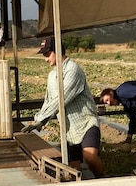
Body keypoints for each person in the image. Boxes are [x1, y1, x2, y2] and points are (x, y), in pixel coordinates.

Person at [24, 35, 104, 177]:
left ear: (58, 51)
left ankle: (102, 179)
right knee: (73, 168)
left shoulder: (72, 70)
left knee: (90, 156)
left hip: (85, 123)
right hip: (69, 130)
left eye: (48, 54)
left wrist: (40, 120)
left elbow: (61, 99)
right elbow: (49, 101)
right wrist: (38, 119)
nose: (46, 59)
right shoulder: (51, 75)